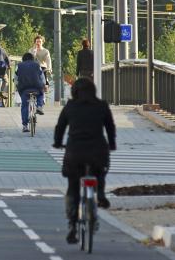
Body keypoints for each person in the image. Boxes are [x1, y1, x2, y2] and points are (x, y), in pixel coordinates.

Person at [52, 78, 116, 244]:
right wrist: (112, 144)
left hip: (75, 153)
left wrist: (58, 143)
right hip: (97, 151)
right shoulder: (102, 106)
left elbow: (60, 127)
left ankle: (73, 226)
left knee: (73, 188)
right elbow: (110, 127)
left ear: (74, 92)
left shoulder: (70, 107)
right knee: (99, 171)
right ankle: (100, 194)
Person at [15, 53, 45, 132]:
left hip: (24, 89)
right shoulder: (37, 65)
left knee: (24, 105)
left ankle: (25, 126)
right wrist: (43, 85)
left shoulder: (19, 65)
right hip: (36, 87)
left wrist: (17, 86)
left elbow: (16, 78)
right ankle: (39, 106)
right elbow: (42, 77)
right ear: (32, 58)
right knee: (41, 94)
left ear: (23, 59)